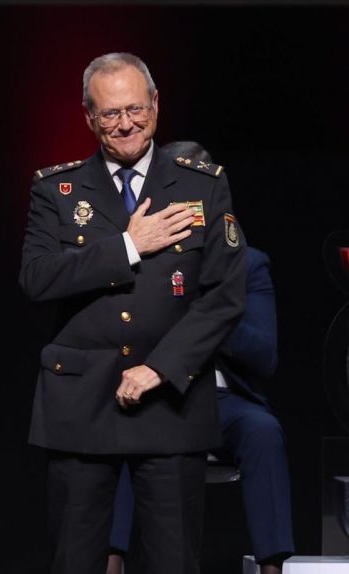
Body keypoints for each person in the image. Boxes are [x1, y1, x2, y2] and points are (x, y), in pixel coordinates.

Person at [20, 53, 246, 573]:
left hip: (170, 404)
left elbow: (224, 294)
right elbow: (37, 278)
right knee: (74, 560)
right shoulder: (57, 189)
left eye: (136, 110)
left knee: (174, 561)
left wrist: (161, 368)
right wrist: (126, 245)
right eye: (110, 114)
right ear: (87, 117)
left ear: (156, 105)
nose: (125, 124)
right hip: (80, 405)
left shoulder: (202, 184)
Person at [105, 141, 293, 574]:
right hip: (157, 394)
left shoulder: (249, 265)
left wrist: (212, 309)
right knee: (116, 430)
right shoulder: (140, 254)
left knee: (264, 431)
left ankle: (272, 568)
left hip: (224, 400)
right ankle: (110, 563)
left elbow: (263, 356)